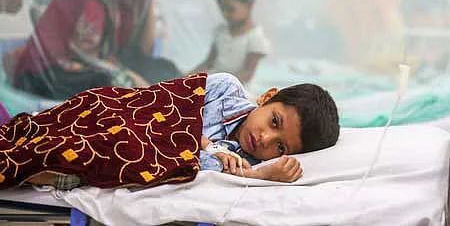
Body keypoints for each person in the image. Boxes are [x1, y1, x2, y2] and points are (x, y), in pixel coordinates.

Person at [0, 72, 339, 190]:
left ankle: (51, 167)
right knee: (104, 118)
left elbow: (183, 163)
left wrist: (260, 175)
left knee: (125, 149)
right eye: (274, 122)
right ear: (266, 98)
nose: (265, 138)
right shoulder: (225, 89)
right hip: (118, 110)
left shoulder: (239, 162)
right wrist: (203, 144)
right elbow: (160, 106)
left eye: (280, 148)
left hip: (128, 140)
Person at [11, 0, 180, 100]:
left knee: (161, 70)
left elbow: (142, 51)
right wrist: (128, 76)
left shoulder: (114, 2)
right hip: (42, 78)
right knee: (113, 82)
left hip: (69, 72)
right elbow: (82, 56)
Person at [192, 0, 270, 85]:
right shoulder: (220, 32)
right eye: (222, 9)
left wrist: (220, 84)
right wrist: (191, 74)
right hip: (212, 83)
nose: (225, 14)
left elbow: (247, 73)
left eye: (230, 9)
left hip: (237, 89)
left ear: (249, 4)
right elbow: (209, 62)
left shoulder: (255, 38)